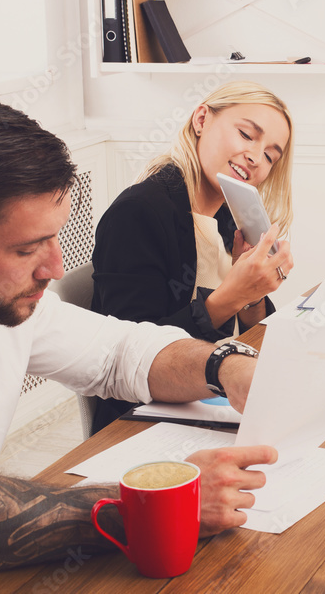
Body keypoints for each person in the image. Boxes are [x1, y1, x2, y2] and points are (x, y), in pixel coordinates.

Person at [0, 93, 278, 577]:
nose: (56, 267)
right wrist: (155, 502)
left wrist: (227, 365)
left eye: (55, 237)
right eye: (27, 249)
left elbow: (119, 352)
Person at [90, 81, 295, 432]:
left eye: (270, 156)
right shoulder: (140, 212)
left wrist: (254, 295)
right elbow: (131, 357)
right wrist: (233, 295)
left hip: (216, 397)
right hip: (145, 423)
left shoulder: (229, 215)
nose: (255, 157)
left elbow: (250, 333)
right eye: (247, 134)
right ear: (201, 119)